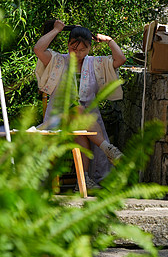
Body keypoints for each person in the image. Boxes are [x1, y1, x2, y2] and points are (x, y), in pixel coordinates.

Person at [34, 18, 125, 190]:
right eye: (73, 48)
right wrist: (56, 30)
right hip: (57, 119)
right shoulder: (57, 61)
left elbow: (120, 59)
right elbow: (38, 49)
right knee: (77, 109)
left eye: (83, 49)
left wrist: (109, 40)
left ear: (90, 48)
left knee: (80, 129)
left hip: (85, 123)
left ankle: (83, 181)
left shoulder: (96, 63)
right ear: (68, 44)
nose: (78, 53)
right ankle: (108, 149)